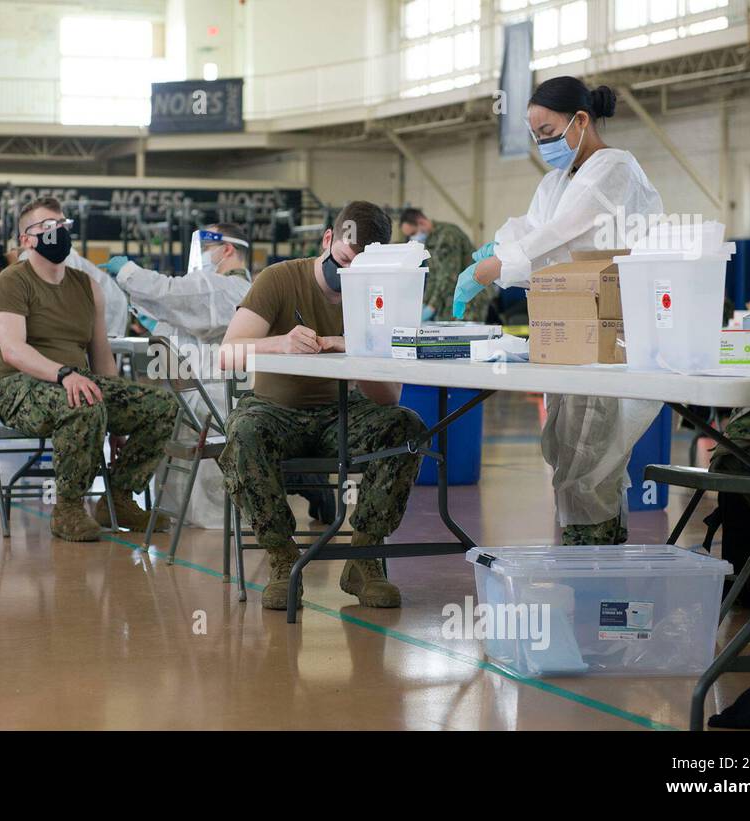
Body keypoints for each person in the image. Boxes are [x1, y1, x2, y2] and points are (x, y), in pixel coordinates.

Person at [453, 77, 664, 545]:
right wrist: (497, 248)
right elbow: (534, 227)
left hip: (609, 329)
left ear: (580, 120)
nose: (542, 143)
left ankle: (593, 553)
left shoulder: (614, 170)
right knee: (566, 446)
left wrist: (499, 264)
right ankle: (585, 550)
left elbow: (563, 237)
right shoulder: (558, 180)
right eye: (535, 134)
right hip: (567, 328)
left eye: (548, 130)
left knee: (591, 447)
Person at [218, 201, 426, 611]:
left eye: (360, 271)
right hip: (276, 410)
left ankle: (364, 558)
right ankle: (282, 558)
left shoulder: (375, 297)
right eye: (345, 261)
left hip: (339, 414)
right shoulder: (279, 279)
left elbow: (389, 398)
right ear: (329, 240)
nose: (348, 275)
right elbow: (227, 353)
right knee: (243, 434)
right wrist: (281, 342)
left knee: (407, 428)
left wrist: (360, 351)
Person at [0, 197, 178, 542]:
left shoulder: (88, 286)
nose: (56, 232)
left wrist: (121, 417)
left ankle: (118, 498)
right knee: (83, 402)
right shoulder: (12, 282)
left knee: (162, 407)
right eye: (46, 228)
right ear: (26, 240)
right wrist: (64, 374)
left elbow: (102, 359)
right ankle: (69, 508)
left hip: (76, 383)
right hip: (19, 387)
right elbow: (14, 350)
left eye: (61, 225)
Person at [103, 223, 254, 529]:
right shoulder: (215, 289)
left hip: (213, 403)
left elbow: (172, 293)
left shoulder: (231, 288)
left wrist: (127, 272)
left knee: (207, 504)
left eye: (206, 249)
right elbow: (189, 322)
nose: (201, 257)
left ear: (227, 250)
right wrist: (156, 321)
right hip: (200, 400)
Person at [400, 207, 487, 323]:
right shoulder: (429, 241)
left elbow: (449, 276)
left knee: (464, 337)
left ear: (421, 222)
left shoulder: (448, 235)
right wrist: (424, 303)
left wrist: (432, 306)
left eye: (413, 233)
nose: (412, 238)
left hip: (470, 297)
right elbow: (433, 277)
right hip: (451, 296)